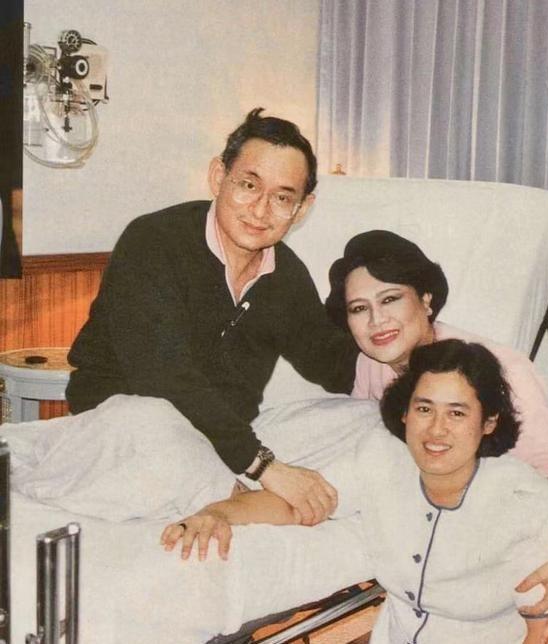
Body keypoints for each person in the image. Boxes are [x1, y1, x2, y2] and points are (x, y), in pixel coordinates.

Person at [322, 229, 548, 644]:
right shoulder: (373, 365)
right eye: (359, 308)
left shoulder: (494, 367)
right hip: (493, 523)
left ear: (426, 299)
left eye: (390, 299)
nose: (376, 321)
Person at [162, 340, 548, 643]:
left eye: (457, 413)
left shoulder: (521, 499)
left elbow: (545, 631)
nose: (436, 430)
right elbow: (298, 504)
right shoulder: (380, 458)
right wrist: (219, 513)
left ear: (488, 422)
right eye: (424, 408)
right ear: (405, 412)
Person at [65, 108, 358, 525]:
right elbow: (164, 376)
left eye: (282, 198)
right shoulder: (154, 241)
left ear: (302, 208)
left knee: (362, 420)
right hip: (124, 428)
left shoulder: (287, 276)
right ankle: (234, 502)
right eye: (248, 185)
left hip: (219, 443)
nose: (260, 210)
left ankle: (227, 499)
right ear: (218, 177)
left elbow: (329, 360)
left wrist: (405, 360)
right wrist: (264, 466)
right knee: (150, 417)